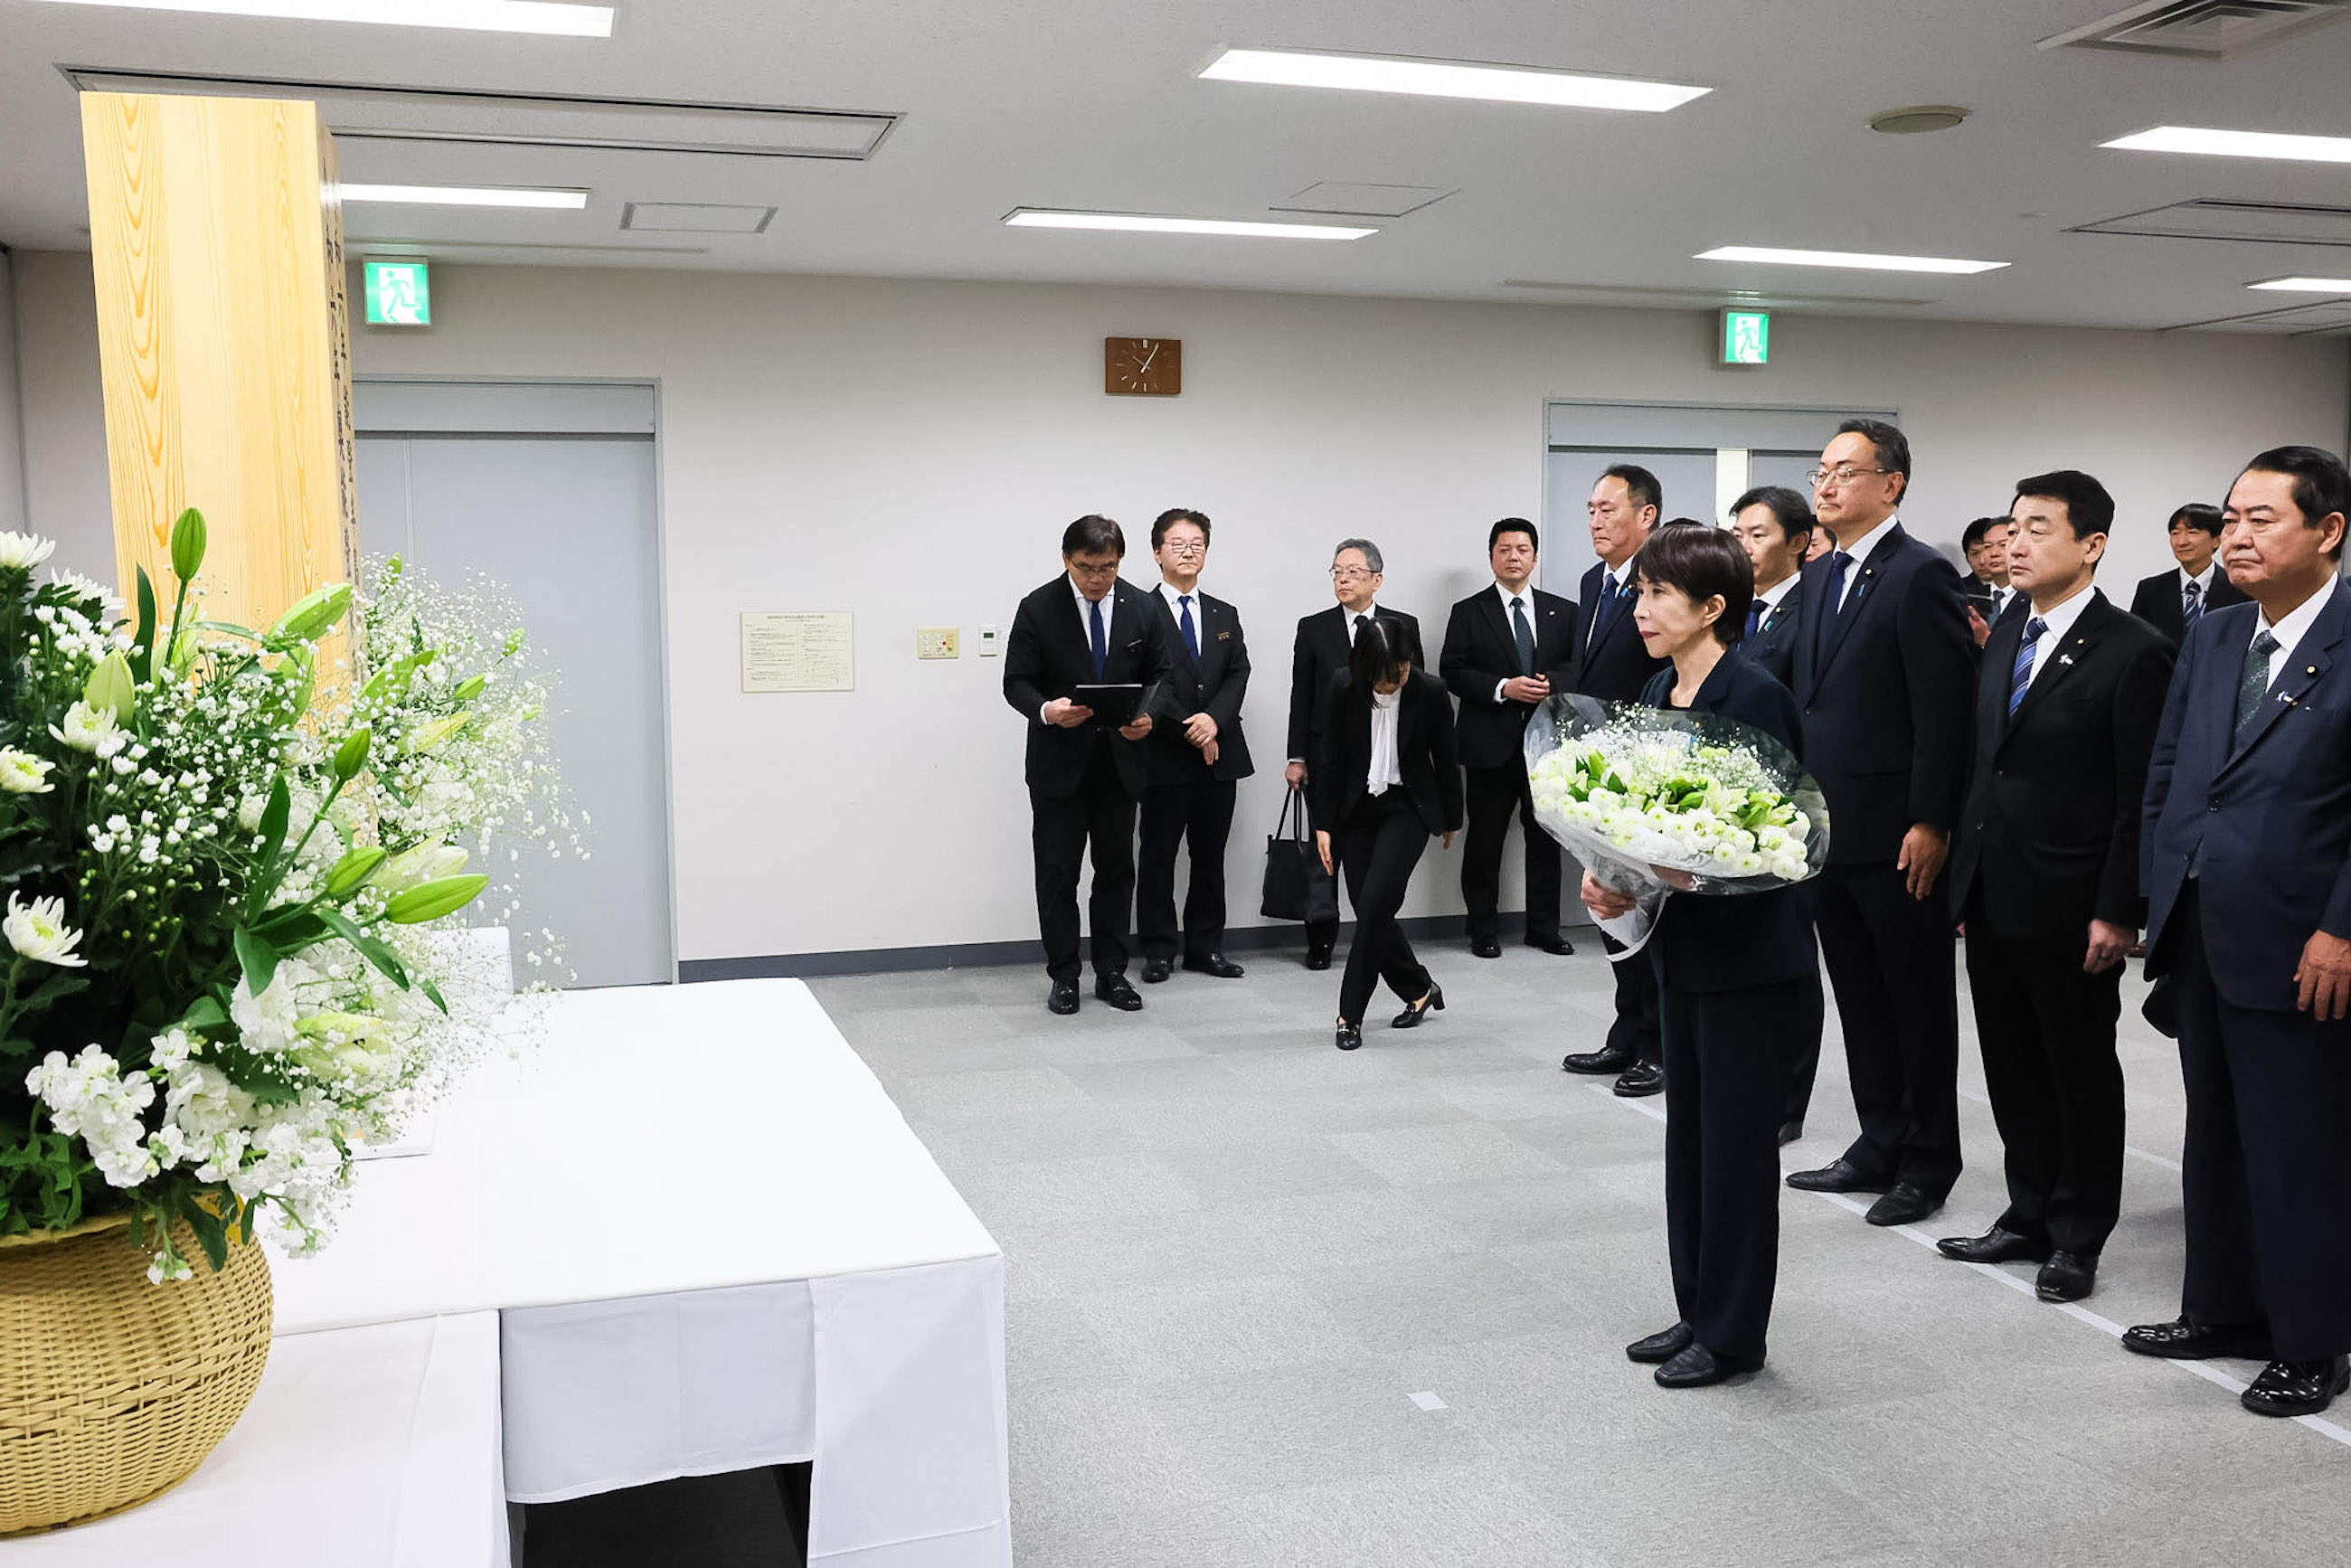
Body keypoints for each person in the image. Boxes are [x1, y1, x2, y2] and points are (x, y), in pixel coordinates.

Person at [2129, 445, 2351, 1419]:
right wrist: (2157, 892)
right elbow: (2172, 769)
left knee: (2298, 1147)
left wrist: (2341, 929)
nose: (2237, 537)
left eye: (2262, 519)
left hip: (2304, 939)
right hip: (2200, 924)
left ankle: (2311, 1343)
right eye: (2230, 520)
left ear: (2327, 530)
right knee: (2214, 1135)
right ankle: (2219, 1309)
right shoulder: (2217, 633)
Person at [1580, 525, 1810, 1389]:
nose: (1640, 609)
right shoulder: (1657, 687)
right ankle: (1699, 1308)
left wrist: (1680, 869)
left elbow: (1782, 839)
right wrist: (1614, 878)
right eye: (1639, 593)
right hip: (1680, 949)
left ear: (1713, 607)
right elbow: (1639, 817)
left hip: (1750, 960)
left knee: (1738, 1152)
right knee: (1691, 1142)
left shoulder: (1756, 696)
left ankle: (1735, 1334)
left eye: (1657, 595)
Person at [1937, 472, 2174, 1302]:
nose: (2016, 542)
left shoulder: (2135, 649)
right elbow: (1987, 764)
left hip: (2074, 902)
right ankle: (2028, 1209)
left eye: (2038, 528)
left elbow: (2139, 793)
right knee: (2010, 1063)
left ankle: (2079, 1232)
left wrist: (2120, 907)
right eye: (2013, 527)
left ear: (2092, 544)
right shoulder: (2008, 628)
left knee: (2077, 1071)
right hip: (1992, 888)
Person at [1782, 420, 1975, 1227]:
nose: (1826, 485)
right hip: (1830, 828)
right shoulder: (1820, 573)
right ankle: (1878, 1139)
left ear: (1891, 484)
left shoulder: (1921, 573)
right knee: (1859, 999)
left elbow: (1944, 711)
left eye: (1845, 471)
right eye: (1821, 471)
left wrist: (1932, 820)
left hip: (1898, 832)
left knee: (1915, 1002)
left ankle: (1928, 1160)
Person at [1002, 515, 1172, 1015]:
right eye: (1087, 568)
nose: (1098, 578)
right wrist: (1047, 710)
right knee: (1058, 874)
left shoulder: (1142, 606)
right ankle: (1064, 975)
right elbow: (1016, 681)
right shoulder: (1038, 607)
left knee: (1116, 872)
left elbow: (1162, 674)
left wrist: (1149, 716)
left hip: (1121, 763)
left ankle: (1112, 972)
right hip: (1059, 765)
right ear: (1066, 559)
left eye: (1108, 567)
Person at [1561, 465, 1675, 1096]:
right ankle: (1627, 1031)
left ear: (1646, 515)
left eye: (1608, 509)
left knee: (1648, 913)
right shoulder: (1592, 581)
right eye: (1591, 510)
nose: (1596, 521)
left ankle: (1659, 1045)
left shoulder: (1665, 581)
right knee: (1610, 907)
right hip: (1598, 771)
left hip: (1648, 770)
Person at [1725, 485, 1827, 1144]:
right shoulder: (1737, 611)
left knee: (1792, 956)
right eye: (1736, 533)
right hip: (1737, 807)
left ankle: (1788, 1100)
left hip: (1793, 810)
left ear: (1797, 542)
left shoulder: (1813, 614)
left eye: (1757, 534)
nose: (1743, 546)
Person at [1309, 618, 1462, 1053]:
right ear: (1364, 668)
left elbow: (1445, 759)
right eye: (1386, 676)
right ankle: (1419, 987)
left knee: (1376, 903)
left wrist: (1452, 818)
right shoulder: (1342, 687)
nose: (1396, 682)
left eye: (1403, 670)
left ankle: (1348, 1015)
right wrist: (1323, 824)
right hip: (1356, 809)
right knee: (1368, 908)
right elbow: (1329, 759)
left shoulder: (1430, 691)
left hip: (1407, 808)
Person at [1439, 518, 1579, 959]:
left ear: (1535, 558)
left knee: (1546, 842)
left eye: (1522, 550)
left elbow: (1580, 666)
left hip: (1547, 746)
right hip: (1488, 745)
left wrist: (1551, 683)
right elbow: (1451, 670)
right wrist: (1503, 688)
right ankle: (1482, 929)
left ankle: (1544, 929)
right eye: (1504, 550)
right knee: (1485, 842)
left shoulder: (1564, 611)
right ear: (1492, 557)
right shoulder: (1468, 611)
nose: (1513, 557)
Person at [1286, 540, 1422, 969]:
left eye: (1353, 572)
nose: (1343, 579)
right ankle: (1321, 940)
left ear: (1376, 580)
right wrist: (1296, 756)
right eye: (1337, 572)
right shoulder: (1314, 627)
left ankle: (1374, 934)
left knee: (1372, 863)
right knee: (1326, 852)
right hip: (1329, 760)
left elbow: (1416, 693)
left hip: (1384, 762)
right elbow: (1302, 694)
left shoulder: (1403, 625)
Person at [1137, 508, 1251, 984]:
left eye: (1197, 544)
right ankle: (1158, 950)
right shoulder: (1139, 610)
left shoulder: (1224, 612)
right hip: (1164, 753)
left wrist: (1213, 721)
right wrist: (1190, 726)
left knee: (1210, 857)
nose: (1188, 551)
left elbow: (1238, 673)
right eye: (1178, 544)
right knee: (1158, 856)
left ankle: (1206, 947)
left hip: (1219, 754)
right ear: (1157, 552)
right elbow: (1147, 681)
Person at [2129, 502, 2248, 644]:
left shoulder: (2240, 587)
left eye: (2192, 533)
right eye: (2175, 533)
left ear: (2217, 540)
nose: (2181, 542)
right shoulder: (2150, 589)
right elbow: (2135, 641)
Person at [1961, 515, 2019, 647]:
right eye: (1987, 547)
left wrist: (1986, 641)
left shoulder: (2033, 597)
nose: (1994, 553)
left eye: (2003, 545)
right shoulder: (1970, 596)